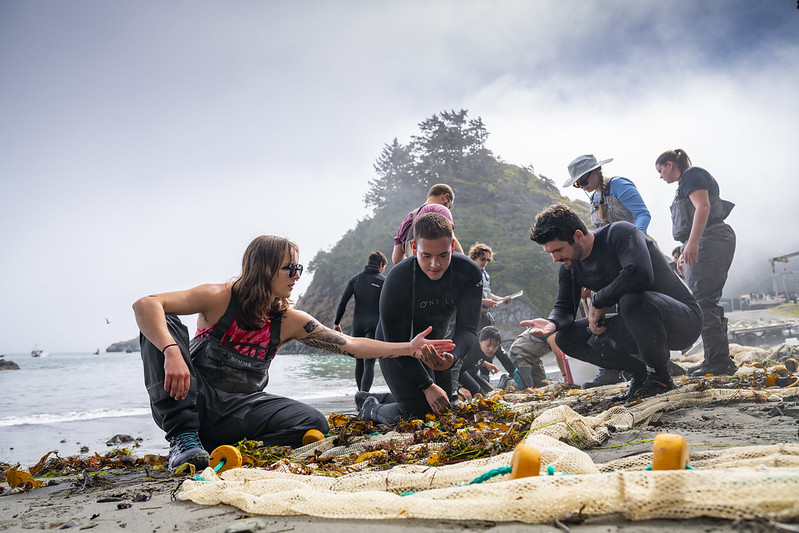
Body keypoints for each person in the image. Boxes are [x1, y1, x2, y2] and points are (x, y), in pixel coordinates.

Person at [133, 235, 454, 472]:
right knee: (165, 322)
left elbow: (353, 346)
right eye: (291, 268)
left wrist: (409, 348)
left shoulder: (289, 321)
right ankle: (184, 440)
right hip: (191, 399)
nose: (297, 275)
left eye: (298, 268)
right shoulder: (217, 298)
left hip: (238, 410)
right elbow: (146, 304)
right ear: (265, 268)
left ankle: (220, 448)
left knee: (312, 422)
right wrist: (172, 351)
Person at [523, 204, 702, 400]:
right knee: (565, 337)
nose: (555, 258)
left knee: (631, 299)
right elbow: (564, 308)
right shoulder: (570, 267)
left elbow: (640, 274)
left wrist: (598, 301)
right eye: (550, 253)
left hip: (683, 321)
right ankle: (639, 373)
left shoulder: (619, 234)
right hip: (638, 323)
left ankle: (660, 377)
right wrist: (552, 323)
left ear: (578, 236)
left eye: (558, 250)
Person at [358, 212, 483, 424]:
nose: (435, 264)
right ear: (414, 249)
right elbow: (395, 340)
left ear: (452, 246)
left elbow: (468, 328)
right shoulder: (399, 278)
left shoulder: (469, 272)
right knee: (417, 416)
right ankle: (370, 406)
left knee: (443, 411)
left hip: (435, 347)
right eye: (426, 256)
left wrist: (451, 359)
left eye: (443, 255)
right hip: (399, 346)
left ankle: (392, 398)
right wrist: (426, 385)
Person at [564, 154, 653, 387]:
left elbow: (643, 214)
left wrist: (635, 245)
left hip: (632, 255)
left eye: (584, 180)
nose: (583, 186)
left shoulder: (619, 185)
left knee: (631, 309)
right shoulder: (594, 197)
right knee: (603, 313)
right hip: (608, 263)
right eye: (578, 184)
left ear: (597, 172)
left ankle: (651, 363)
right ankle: (612, 367)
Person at [656, 149, 737, 376]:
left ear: (670, 164)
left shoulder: (692, 175)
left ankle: (718, 361)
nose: (660, 176)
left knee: (703, 301)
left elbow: (703, 207)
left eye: (660, 170)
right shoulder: (683, 184)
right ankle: (716, 358)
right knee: (705, 300)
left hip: (710, 238)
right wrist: (683, 250)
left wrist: (692, 244)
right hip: (703, 239)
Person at [333, 251, 387, 391]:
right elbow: (390, 305)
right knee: (369, 362)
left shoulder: (355, 280)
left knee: (359, 361)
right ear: (381, 265)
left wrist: (336, 323)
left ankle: (359, 396)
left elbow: (343, 302)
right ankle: (363, 397)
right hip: (375, 324)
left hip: (358, 325)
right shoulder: (383, 281)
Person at [391, 183, 464, 264]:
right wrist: (465, 262)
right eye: (449, 206)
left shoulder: (406, 221)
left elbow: (396, 259)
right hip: (436, 269)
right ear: (446, 197)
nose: (448, 209)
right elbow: (450, 239)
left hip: (415, 272)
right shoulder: (440, 209)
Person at [455, 326, 529, 400]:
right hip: (451, 373)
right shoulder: (469, 345)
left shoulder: (495, 346)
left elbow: (509, 365)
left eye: (495, 346)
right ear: (479, 341)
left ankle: (504, 380)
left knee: (481, 394)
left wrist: (524, 387)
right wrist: (459, 387)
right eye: (488, 345)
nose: (491, 349)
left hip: (462, 372)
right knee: (461, 397)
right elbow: (451, 367)